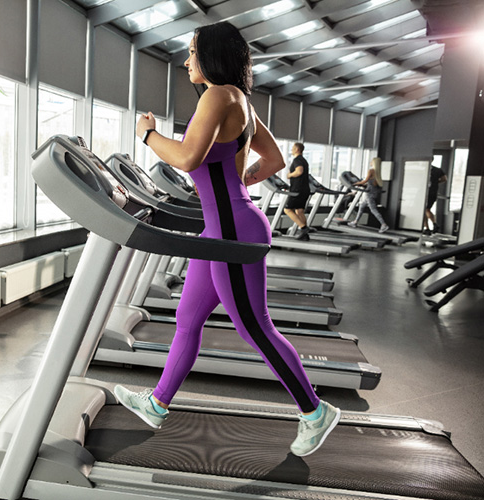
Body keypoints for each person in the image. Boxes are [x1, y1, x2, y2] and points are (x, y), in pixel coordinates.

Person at [114, 22, 340, 458]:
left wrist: (148, 133)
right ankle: (157, 403)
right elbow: (272, 158)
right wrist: (239, 185)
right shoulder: (240, 99)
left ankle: (315, 411)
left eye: (193, 52)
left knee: (253, 325)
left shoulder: (218, 96)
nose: (186, 61)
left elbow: (186, 157)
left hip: (232, 230)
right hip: (227, 224)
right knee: (187, 317)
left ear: (212, 56)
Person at [347, 157, 389, 233]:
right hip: (374, 193)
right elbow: (371, 184)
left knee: (373, 210)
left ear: (374, 163)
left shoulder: (371, 171)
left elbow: (365, 180)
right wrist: (362, 185)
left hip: (369, 194)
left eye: (371, 161)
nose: (370, 162)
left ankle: (384, 225)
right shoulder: (378, 172)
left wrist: (356, 183)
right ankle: (355, 222)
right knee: (362, 206)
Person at [284, 143, 311, 240]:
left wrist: (289, 175)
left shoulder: (297, 160)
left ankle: (303, 228)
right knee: (299, 211)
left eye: (293, 148)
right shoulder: (304, 160)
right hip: (305, 189)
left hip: (297, 190)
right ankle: (305, 235)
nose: (291, 149)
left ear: (297, 149)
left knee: (287, 210)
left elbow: (299, 171)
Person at [424, 165, 447, 234]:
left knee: (425, 210)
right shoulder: (438, 170)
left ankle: (428, 228)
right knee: (427, 210)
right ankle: (432, 225)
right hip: (433, 192)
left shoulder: (424, 167)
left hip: (427, 193)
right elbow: (444, 179)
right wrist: (436, 182)